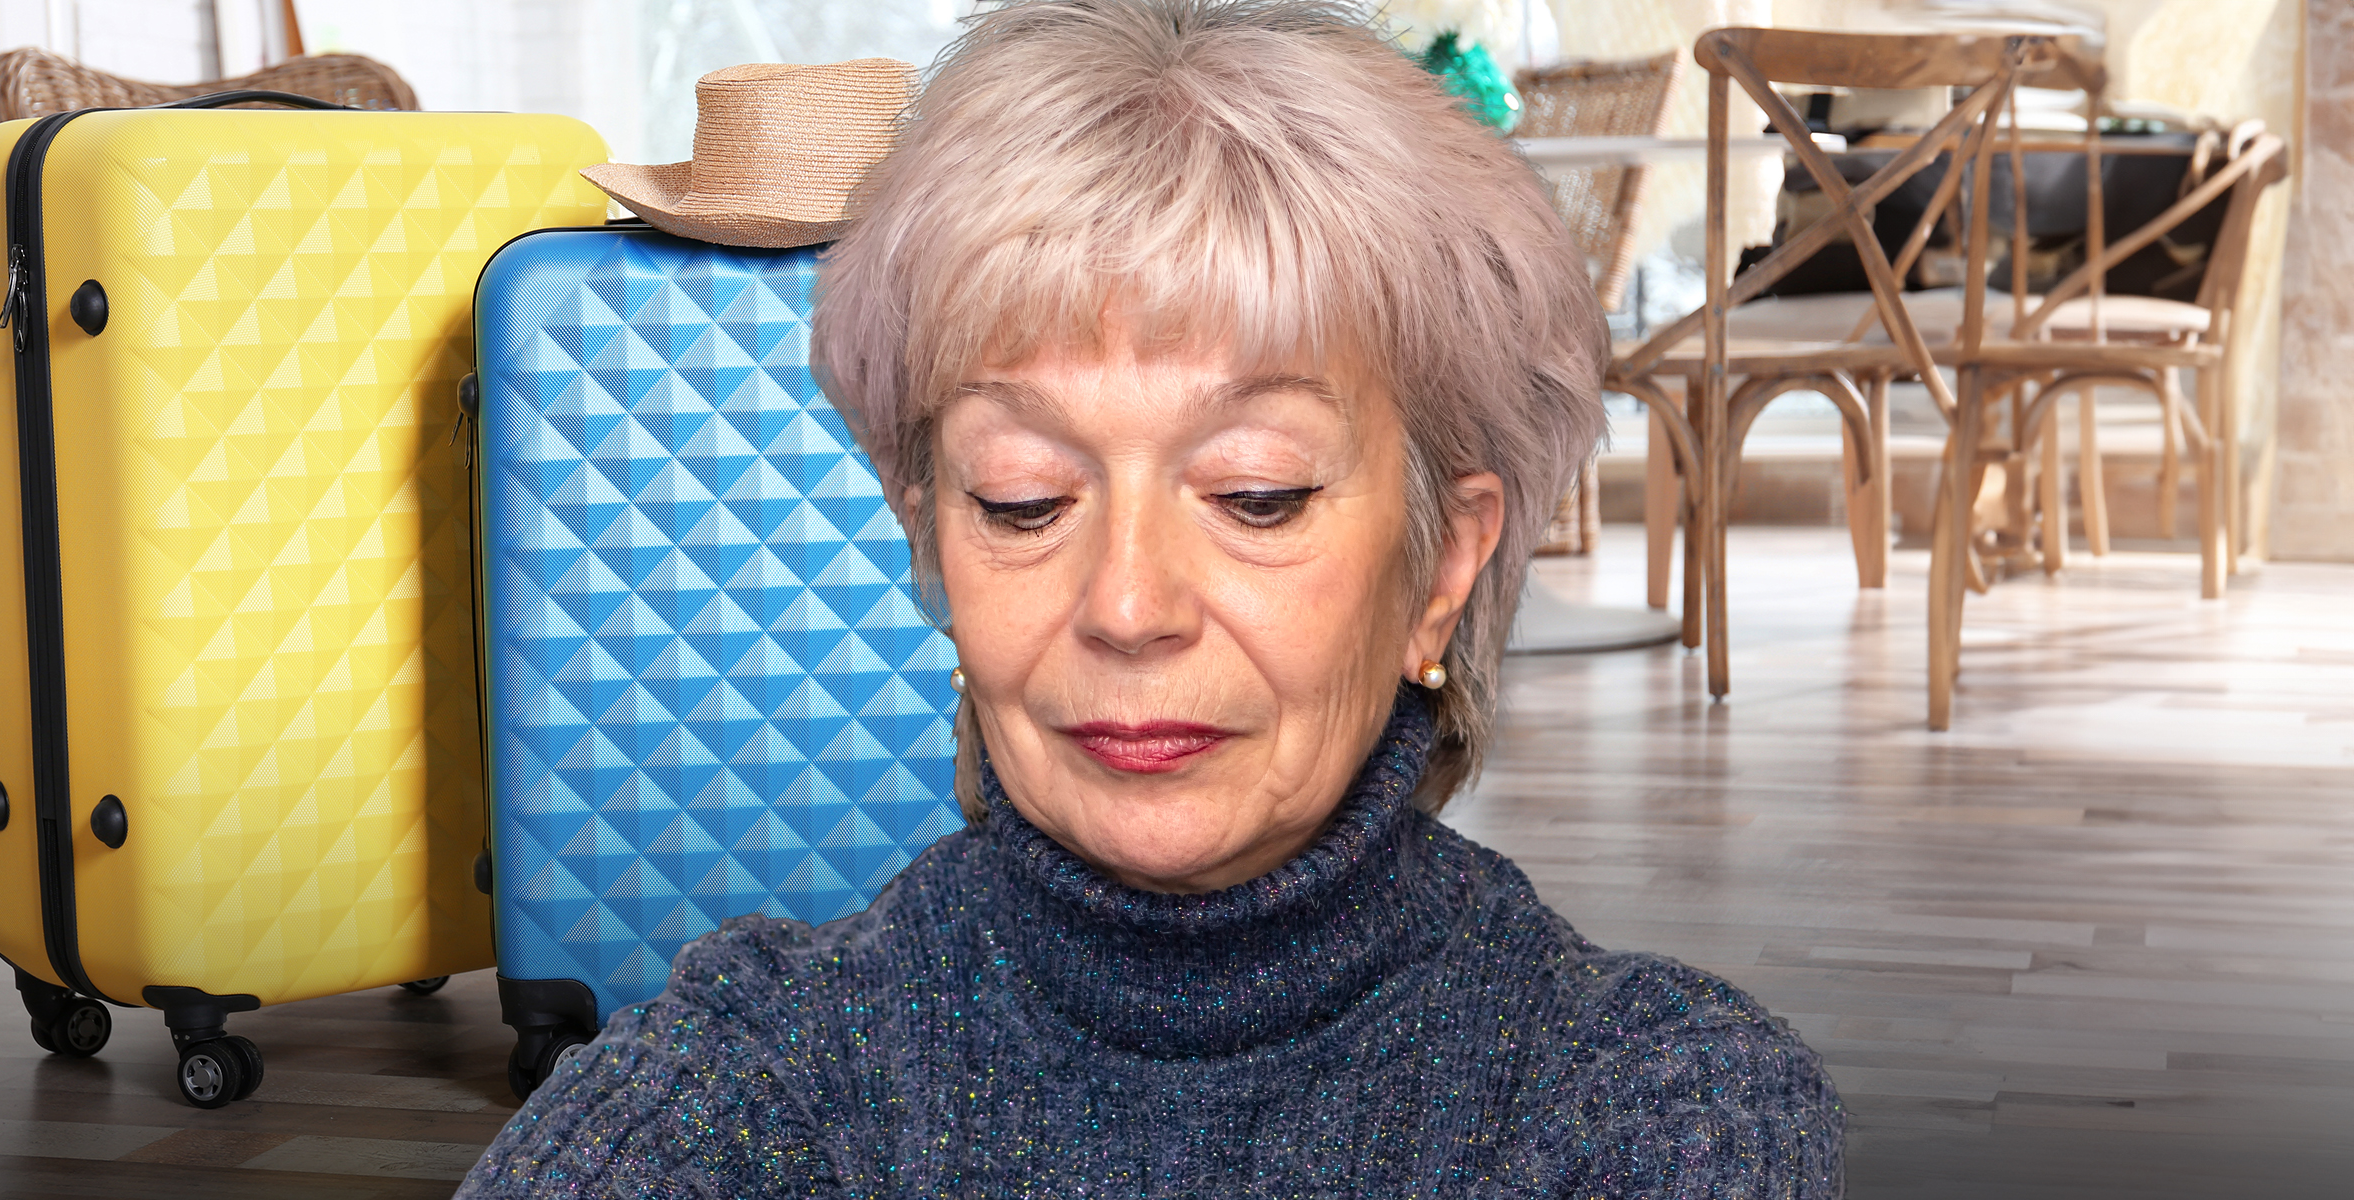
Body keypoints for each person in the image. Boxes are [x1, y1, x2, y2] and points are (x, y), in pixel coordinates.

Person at [459, 1, 1841, 1195]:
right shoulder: (747, 1064)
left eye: (1254, 495)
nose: (1127, 604)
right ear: (933, 546)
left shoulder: (1652, 1103)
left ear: (1446, 567)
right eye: (1021, 498)